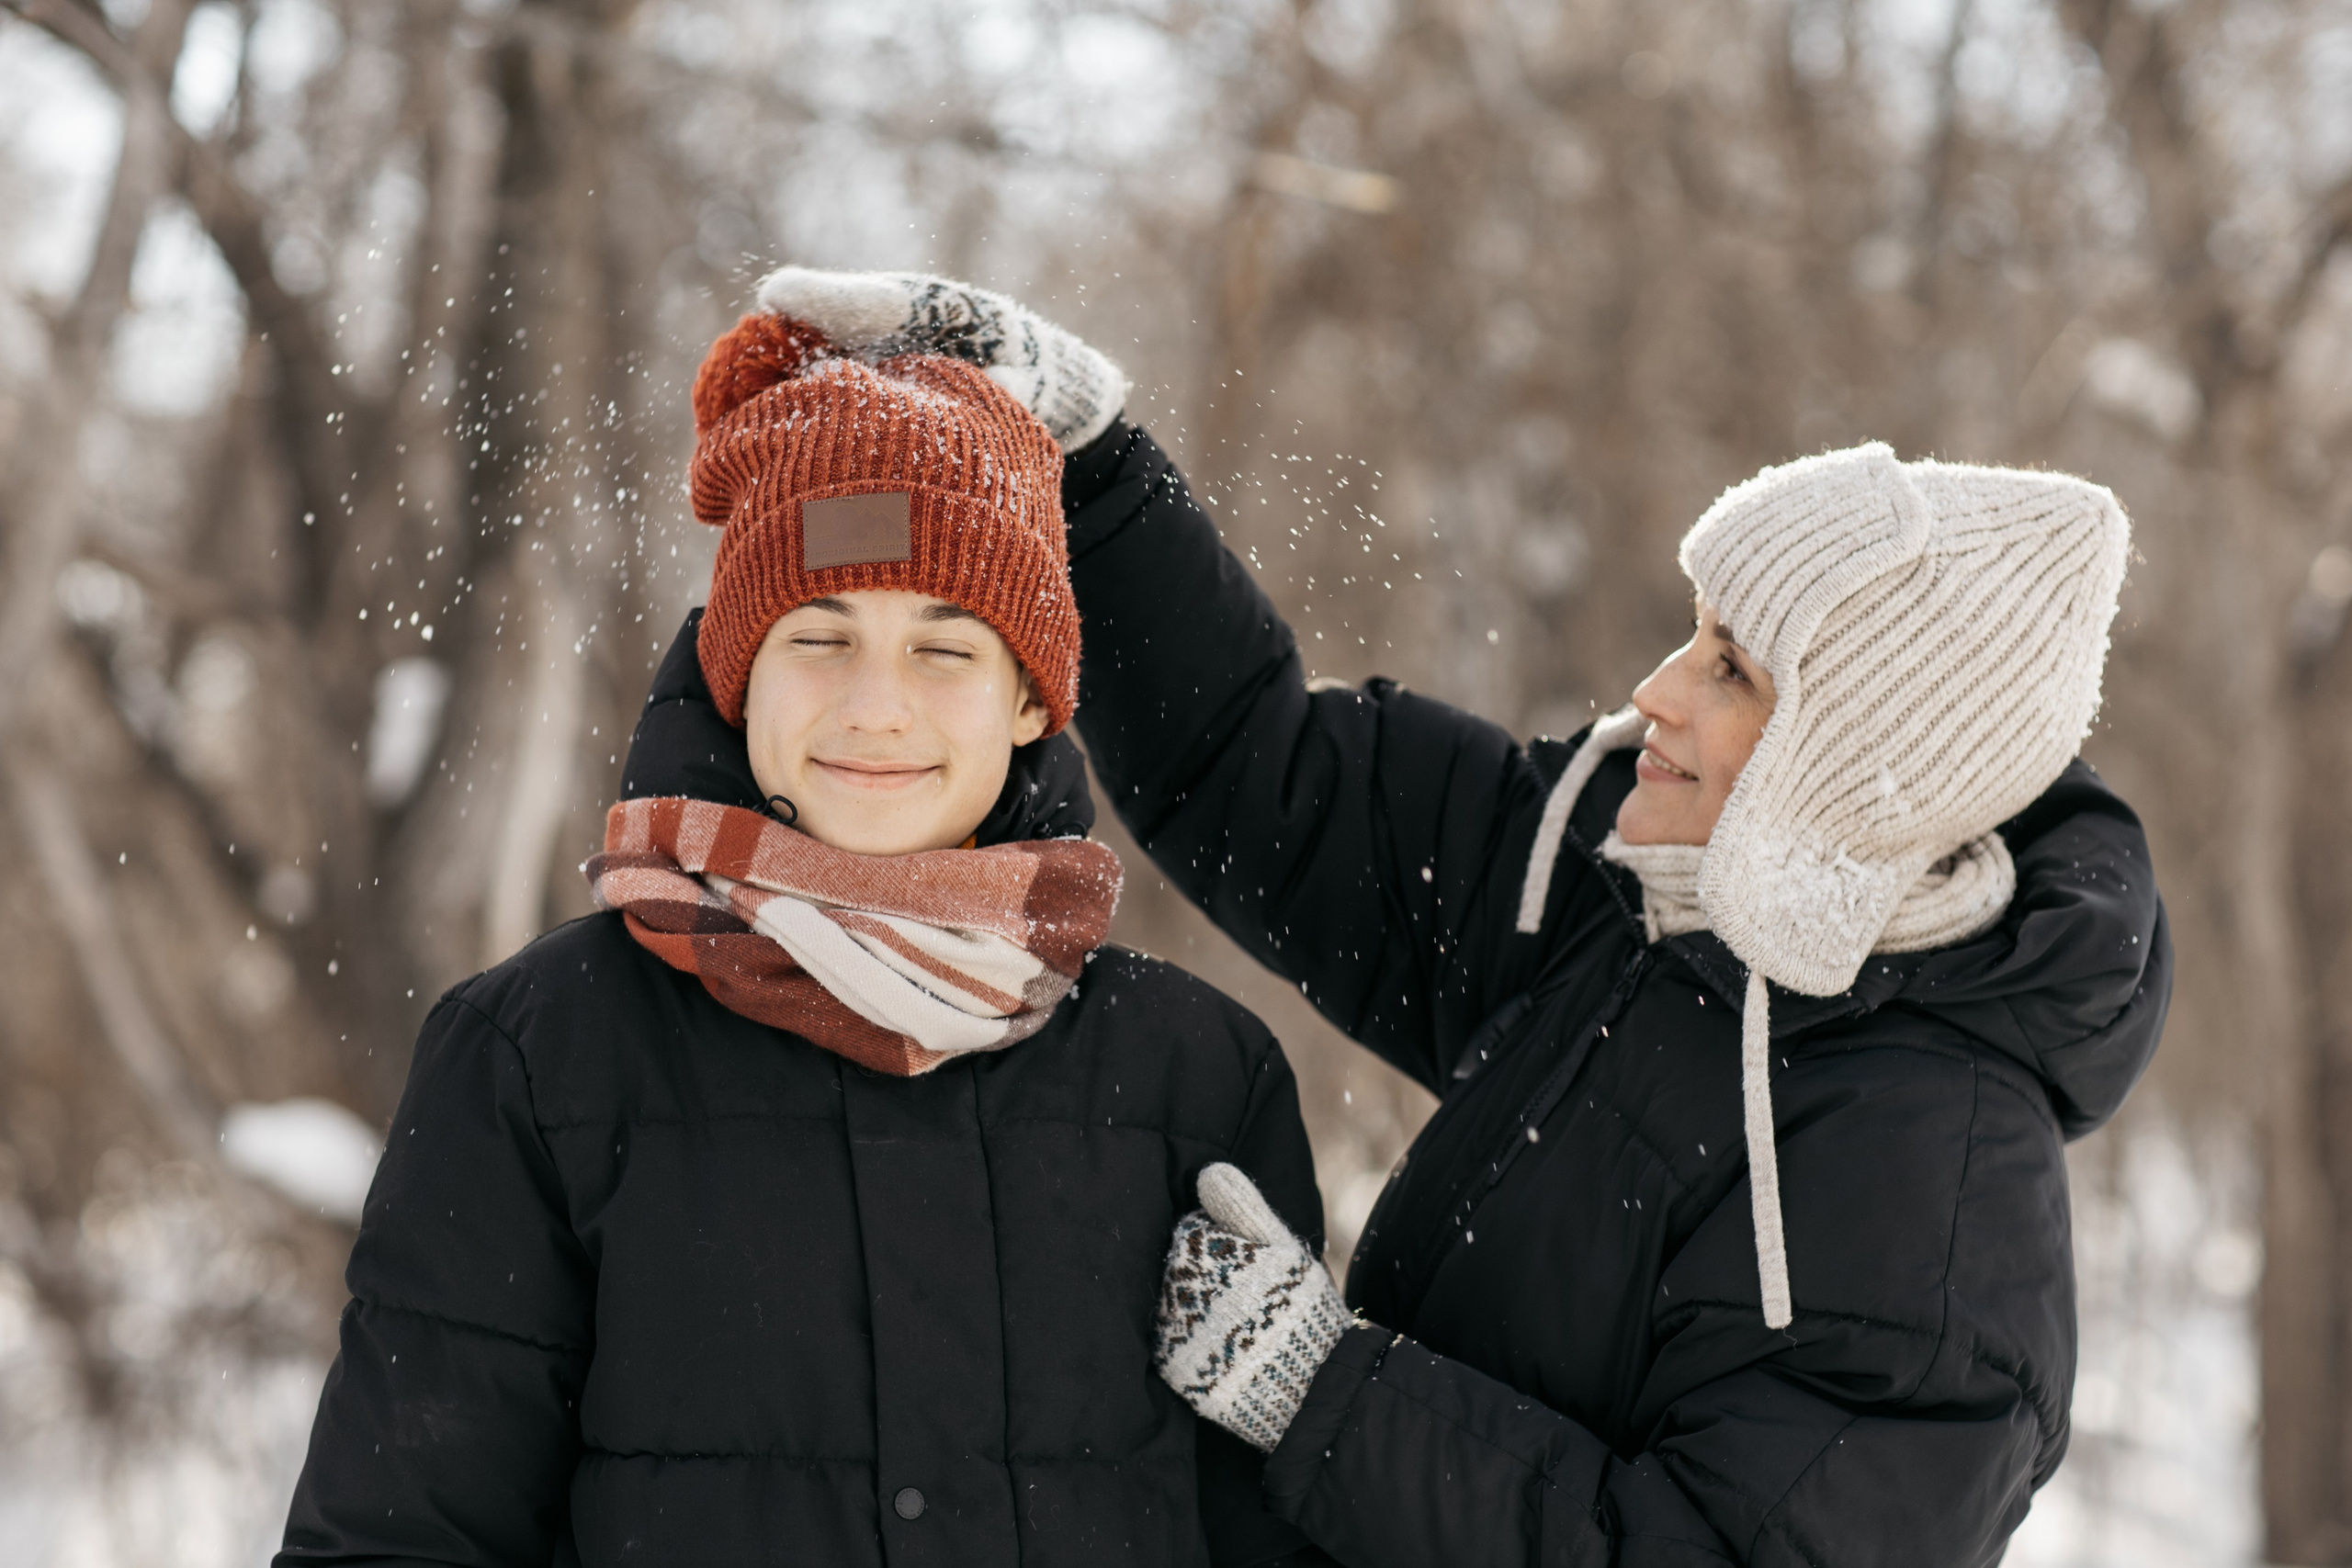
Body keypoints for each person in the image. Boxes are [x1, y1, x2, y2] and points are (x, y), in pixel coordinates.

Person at [755, 268, 2172, 1567]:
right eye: (1693, 634)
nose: (1659, 691)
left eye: (1730, 669)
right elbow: (1270, 775)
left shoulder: (1937, 1194)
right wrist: (1091, 461)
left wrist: (1319, 1392)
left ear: (1863, 761)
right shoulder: (1635, 901)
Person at [276, 302, 1335, 1566]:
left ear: (1026, 701)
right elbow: (397, 1541)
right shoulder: (537, 1058)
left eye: (945, 649)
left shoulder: (1197, 1076)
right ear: (741, 675)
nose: (875, 708)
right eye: (819, 637)